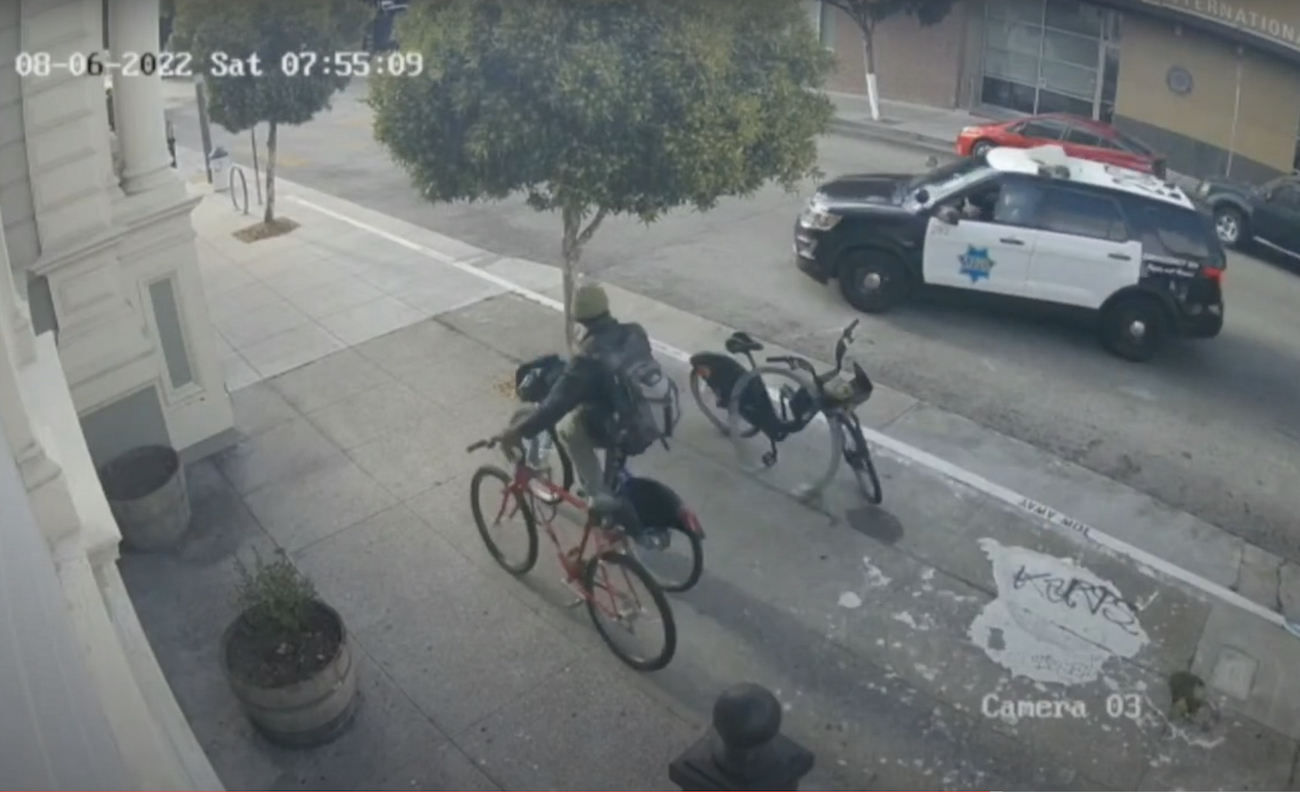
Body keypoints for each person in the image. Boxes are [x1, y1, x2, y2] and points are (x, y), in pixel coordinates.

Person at [493, 283, 662, 522]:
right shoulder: (635, 331)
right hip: (644, 414)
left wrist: (518, 431)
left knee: (567, 427)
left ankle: (597, 493)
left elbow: (554, 406)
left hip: (618, 425)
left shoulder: (587, 358)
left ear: (579, 318)